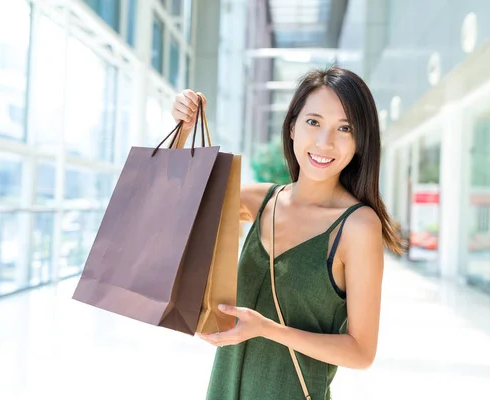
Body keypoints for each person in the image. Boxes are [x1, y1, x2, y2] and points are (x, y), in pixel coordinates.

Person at [170, 66, 403, 400]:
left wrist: (267, 329)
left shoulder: (357, 226)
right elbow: (175, 206)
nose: (325, 142)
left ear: (359, 142)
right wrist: (183, 130)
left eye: (344, 128)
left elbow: (361, 352)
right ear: (292, 126)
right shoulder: (258, 200)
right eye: (313, 122)